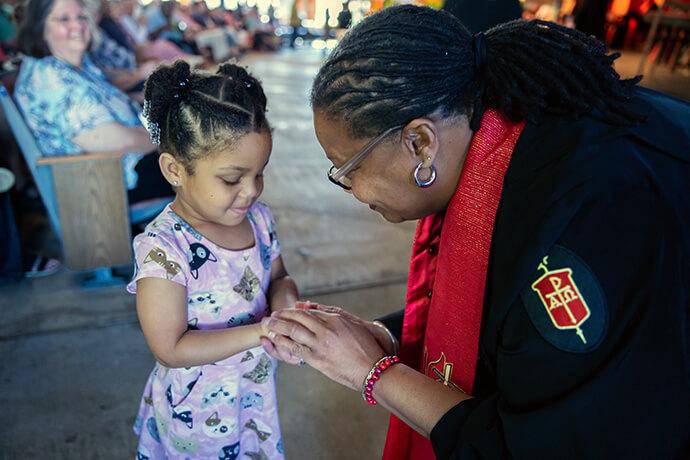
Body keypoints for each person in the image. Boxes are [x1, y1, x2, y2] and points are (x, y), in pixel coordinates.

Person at [261, 5, 690, 459]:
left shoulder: (573, 224)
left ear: (420, 143)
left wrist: (373, 373)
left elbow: (538, 444)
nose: (349, 188)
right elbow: (490, 313)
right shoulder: (496, 137)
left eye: (349, 168)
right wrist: (390, 336)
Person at [127, 60, 298, 459]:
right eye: (231, 179)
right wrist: (262, 331)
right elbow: (170, 347)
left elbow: (279, 276)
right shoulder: (164, 248)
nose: (251, 191)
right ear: (174, 170)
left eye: (260, 173)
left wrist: (288, 309)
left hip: (251, 395)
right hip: (197, 413)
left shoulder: (257, 219)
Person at [14, 0, 173, 205]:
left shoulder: (71, 64)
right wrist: (167, 140)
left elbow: (107, 103)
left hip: (128, 161)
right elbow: (112, 138)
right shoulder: (48, 78)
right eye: (64, 19)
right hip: (110, 181)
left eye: (81, 17)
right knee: (203, 160)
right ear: (40, 27)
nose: (78, 25)